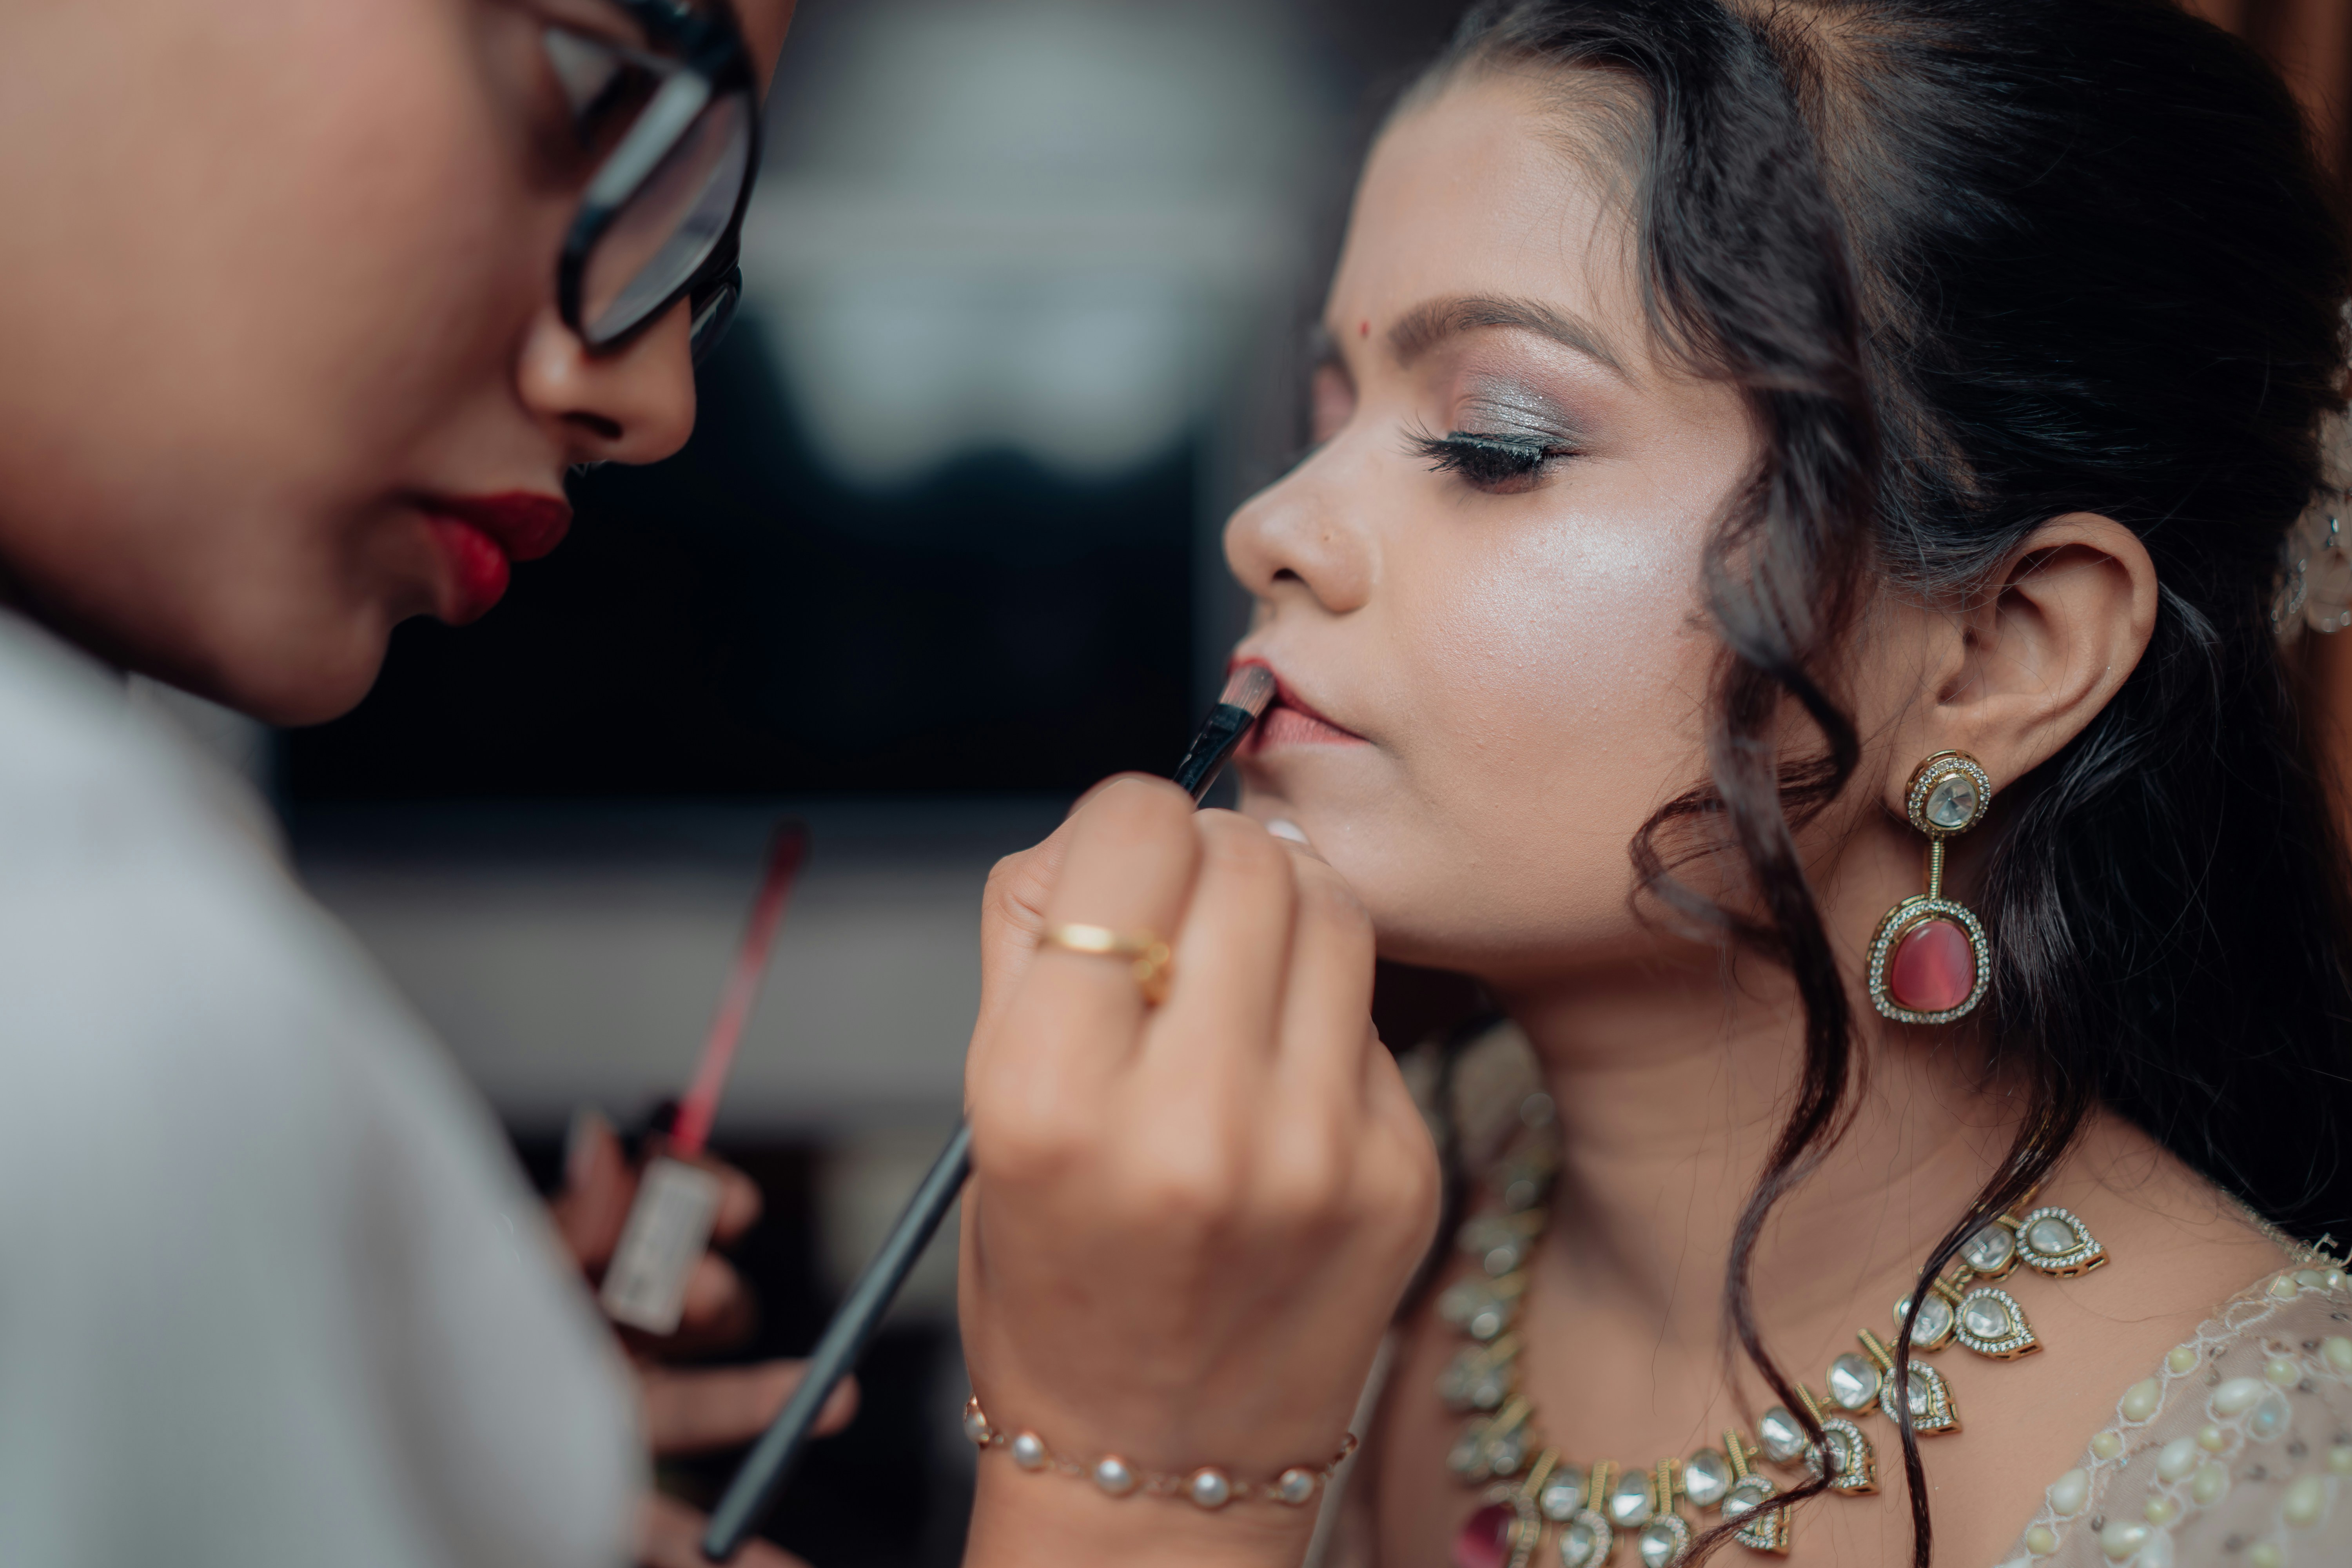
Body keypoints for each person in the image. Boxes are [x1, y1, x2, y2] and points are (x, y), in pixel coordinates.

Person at [953, 2, 2352, 1566]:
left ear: (2000, 652)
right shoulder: (1315, 1204)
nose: (1272, 523)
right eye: (1327, 417)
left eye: (1496, 441)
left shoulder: (2281, 1493)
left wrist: (1138, 1495)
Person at [0, 2, 1387, 1565]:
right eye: (601, 91)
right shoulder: (86, 991)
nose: (656, 402)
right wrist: (1138, 1493)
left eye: (1493, 439)